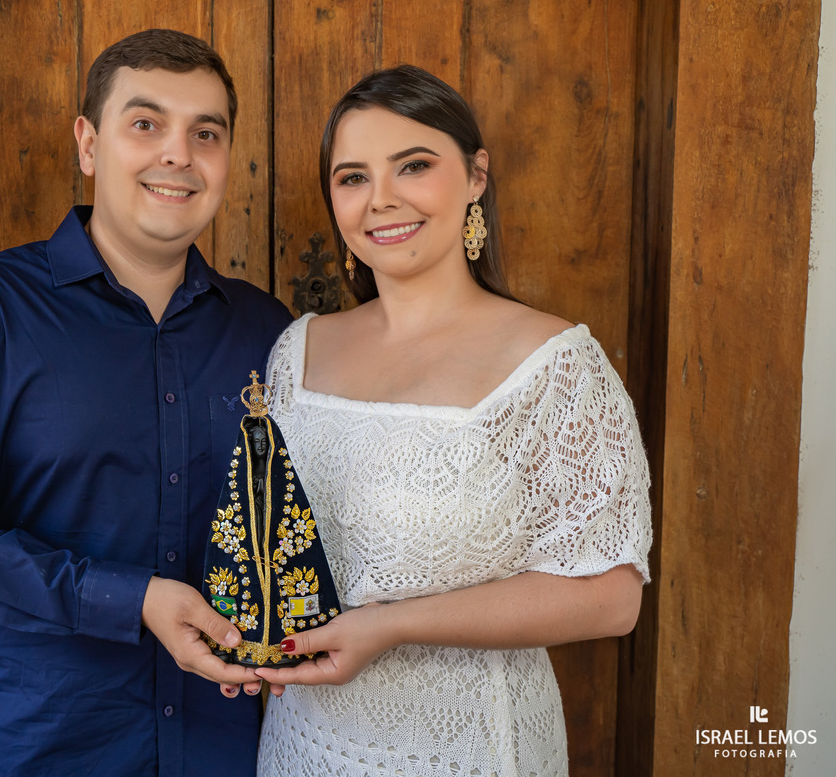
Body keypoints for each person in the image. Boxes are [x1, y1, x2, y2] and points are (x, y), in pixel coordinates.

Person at [0, 29, 293, 775]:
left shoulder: (269, 332)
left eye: (206, 133)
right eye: (146, 124)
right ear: (88, 144)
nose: (178, 154)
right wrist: (131, 600)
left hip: (227, 748)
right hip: (42, 747)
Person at [250, 65, 653, 776]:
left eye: (414, 166)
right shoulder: (298, 350)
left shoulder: (552, 363)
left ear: (475, 175)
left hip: (466, 747)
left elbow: (612, 597)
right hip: (302, 742)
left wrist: (391, 625)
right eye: (352, 177)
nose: (382, 200)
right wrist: (243, 636)